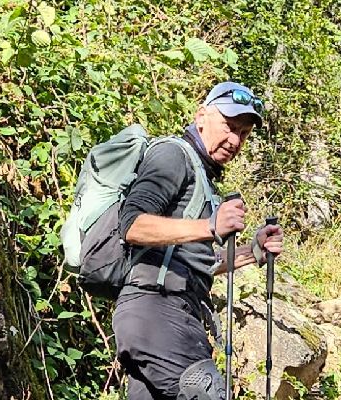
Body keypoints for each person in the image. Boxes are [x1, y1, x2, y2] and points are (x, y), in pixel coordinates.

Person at [113, 81, 286, 400]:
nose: (235, 140)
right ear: (201, 115)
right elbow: (132, 225)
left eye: (243, 134)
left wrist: (253, 251)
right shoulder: (172, 155)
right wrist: (210, 225)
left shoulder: (202, 178)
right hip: (159, 311)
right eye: (229, 126)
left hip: (161, 314)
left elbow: (195, 262)